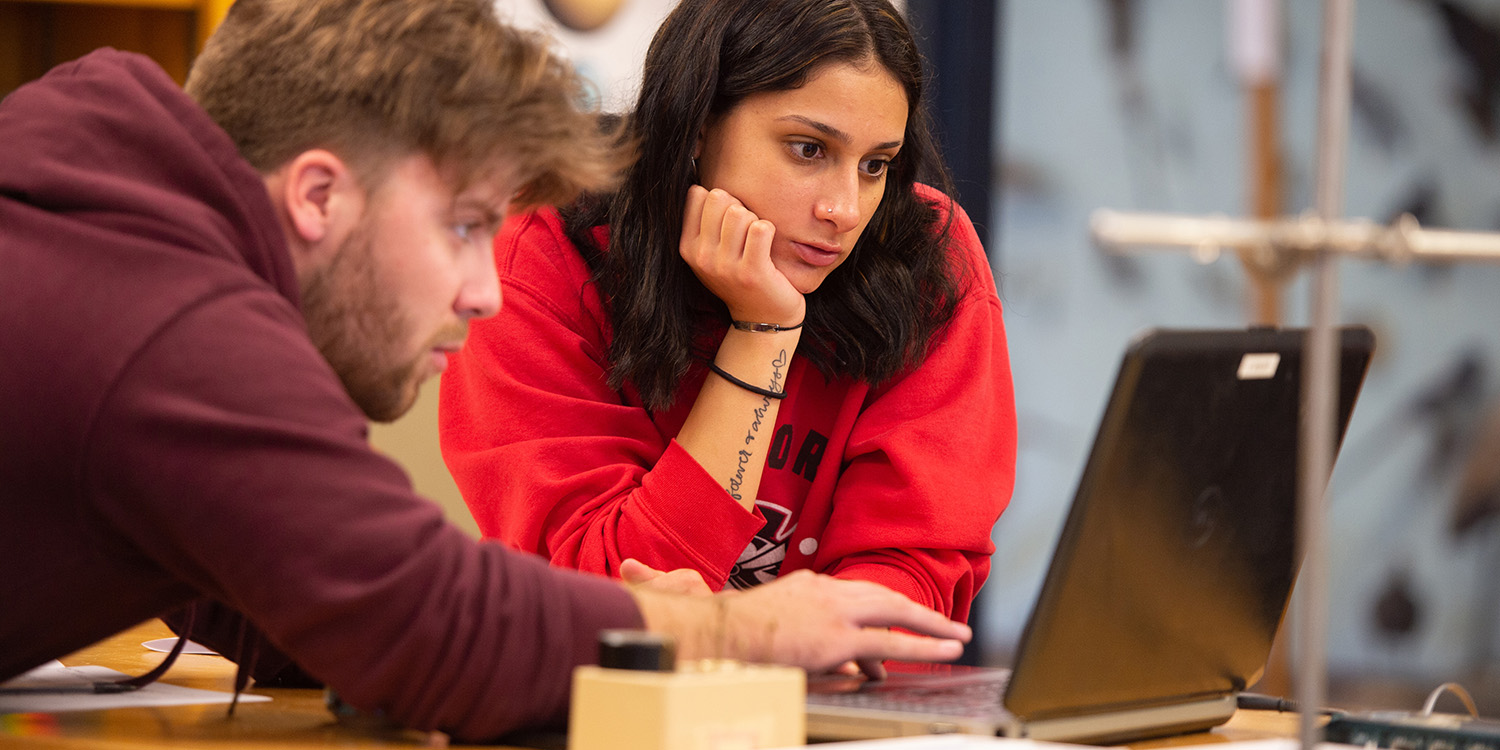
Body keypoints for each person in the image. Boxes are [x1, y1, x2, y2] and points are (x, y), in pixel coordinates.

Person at [0, 0, 976, 742]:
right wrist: (734, 633)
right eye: (465, 225)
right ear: (318, 196)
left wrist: (615, 614)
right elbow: (424, 622)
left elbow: (324, 605)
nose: (484, 291)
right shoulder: (171, 321)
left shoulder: (105, 234)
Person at [439, 0, 1017, 622]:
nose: (845, 209)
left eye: (876, 165)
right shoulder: (544, 252)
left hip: (839, 701)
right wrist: (763, 333)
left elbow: (913, 569)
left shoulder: (925, 257)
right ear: (696, 126)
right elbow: (617, 600)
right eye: (808, 149)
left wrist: (819, 653)